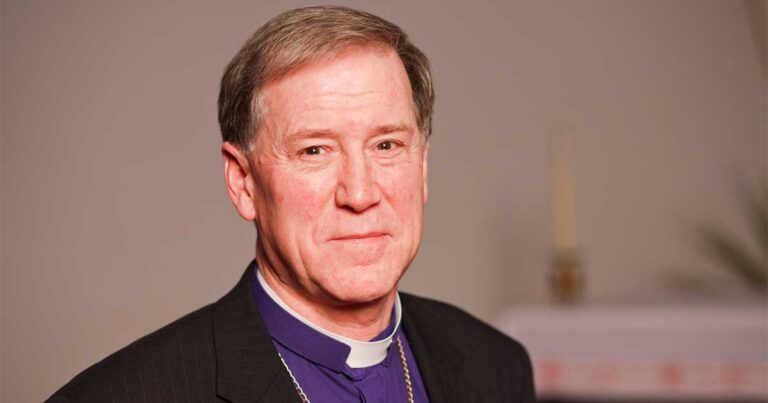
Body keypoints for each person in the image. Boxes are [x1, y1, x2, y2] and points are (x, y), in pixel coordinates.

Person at [48, 6, 535, 402]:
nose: (360, 194)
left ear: (422, 167)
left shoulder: (496, 366)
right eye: (314, 151)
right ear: (243, 182)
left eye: (386, 145)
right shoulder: (124, 395)